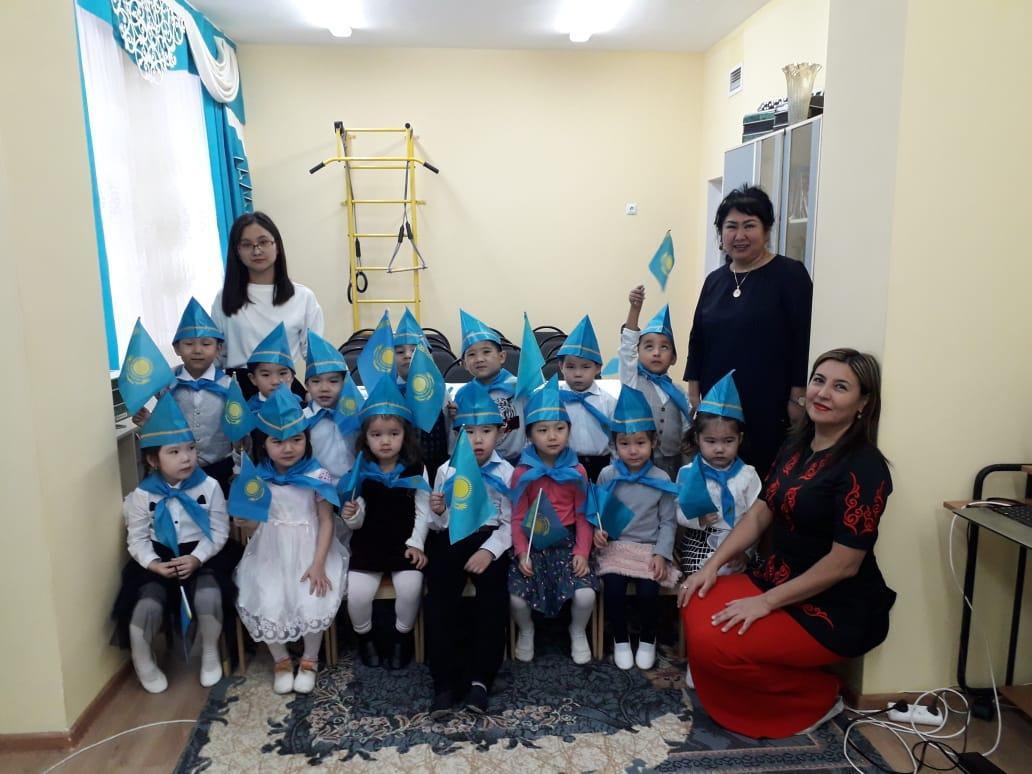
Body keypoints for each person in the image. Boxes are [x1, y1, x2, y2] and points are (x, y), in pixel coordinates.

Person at [678, 349, 894, 739]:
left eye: (840, 387)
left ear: (863, 403)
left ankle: (817, 695)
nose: (823, 393)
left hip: (835, 606)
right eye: (819, 380)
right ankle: (736, 681)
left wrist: (765, 603)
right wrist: (711, 565)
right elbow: (761, 511)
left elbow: (844, 564)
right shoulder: (797, 445)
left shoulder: (864, 467)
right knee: (695, 598)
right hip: (776, 577)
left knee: (714, 644)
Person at [112, 393, 238, 693]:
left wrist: (197, 558)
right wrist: (153, 564)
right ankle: (144, 661)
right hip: (160, 557)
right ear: (153, 460)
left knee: (209, 596)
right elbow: (137, 538)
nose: (186, 457)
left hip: (202, 553)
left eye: (191, 448)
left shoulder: (209, 486)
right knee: (146, 604)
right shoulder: (143, 494)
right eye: (174, 452)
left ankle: (210, 651)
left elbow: (219, 530)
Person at [684, 185, 812, 477]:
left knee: (761, 477)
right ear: (721, 234)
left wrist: (798, 397)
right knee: (717, 475)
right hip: (717, 405)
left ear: (766, 231)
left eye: (749, 225)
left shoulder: (790, 275)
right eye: (731, 226)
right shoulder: (715, 280)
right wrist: (694, 391)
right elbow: (698, 338)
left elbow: (802, 338)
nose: (739, 235)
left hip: (769, 402)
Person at [232, 385, 347, 695]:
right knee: (266, 597)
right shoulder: (258, 477)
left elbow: (326, 520)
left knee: (312, 597)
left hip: (312, 547)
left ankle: (309, 660)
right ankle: (281, 660)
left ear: (306, 439)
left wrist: (319, 563)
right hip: (271, 549)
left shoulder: (317, 475)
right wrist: (244, 521)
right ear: (264, 443)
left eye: (296, 439)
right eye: (278, 441)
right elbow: (255, 521)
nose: (288, 448)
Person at [425, 381, 514, 715]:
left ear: (499, 434)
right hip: (453, 537)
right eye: (469, 432)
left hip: (490, 539)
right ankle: (444, 683)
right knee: (439, 597)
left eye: (486, 431)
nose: (477, 439)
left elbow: (510, 522)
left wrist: (489, 551)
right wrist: (438, 512)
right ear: (457, 434)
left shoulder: (507, 473)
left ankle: (481, 680)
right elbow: (438, 526)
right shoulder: (445, 470)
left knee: (493, 598)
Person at [341, 377, 431, 670]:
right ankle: (365, 637)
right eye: (377, 434)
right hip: (368, 543)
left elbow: (423, 510)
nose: (385, 441)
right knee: (356, 594)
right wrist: (352, 514)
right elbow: (355, 523)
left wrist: (417, 544)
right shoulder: (361, 470)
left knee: (411, 587)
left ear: (405, 435)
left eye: (393, 433)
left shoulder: (416, 468)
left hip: (404, 544)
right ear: (365, 438)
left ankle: (401, 638)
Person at [508, 376, 598, 664]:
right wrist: (521, 553)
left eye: (559, 428)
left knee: (585, 595)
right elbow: (517, 517)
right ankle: (526, 630)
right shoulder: (522, 473)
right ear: (530, 435)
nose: (552, 436)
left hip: (568, 542)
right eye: (543, 430)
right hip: (533, 542)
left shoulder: (577, 471)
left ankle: (577, 630)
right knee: (516, 597)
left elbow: (583, 516)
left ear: (568, 431)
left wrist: (582, 552)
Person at [593, 385, 679, 671]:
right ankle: (620, 639)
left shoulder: (661, 478)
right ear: (615, 445)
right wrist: (598, 533)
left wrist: (661, 554)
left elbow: (668, 521)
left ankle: (647, 639)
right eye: (625, 443)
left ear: (653, 443)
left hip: (649, 548)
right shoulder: (607, 475)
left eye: (640, 443)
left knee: (648, 593)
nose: (633, 450)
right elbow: (598, 515)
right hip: (616, 547)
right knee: (614, 590)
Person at [211, 211, 323, 398]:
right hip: (238, 393)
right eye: (247, 245)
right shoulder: (224, 297)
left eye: (263, 242)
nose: (256, 251)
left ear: (277, 246)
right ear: (237, 251)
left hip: (284, 390)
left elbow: (316, 356)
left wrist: (317, 391)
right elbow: (215, 355)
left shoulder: (303, 297)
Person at [132, 298, 235, 495]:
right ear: (177, 348)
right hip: (175, 469)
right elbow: (164, 421)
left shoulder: (229, 385)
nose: (197, 350)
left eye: (206, 344)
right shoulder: (166, 382)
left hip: (220, 466)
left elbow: (237, 427)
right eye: (189, 344)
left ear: (218, 348)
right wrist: (148, 422)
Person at [676, 370, 762, 579]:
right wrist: (699, 520)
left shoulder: (748, 476)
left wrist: (746, 552)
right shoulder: (689, 473)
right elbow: (678, 511)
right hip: (700, 544)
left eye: (728, 441)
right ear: (697, 439)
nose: (720, 449)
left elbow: (757, 519)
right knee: (700, 584)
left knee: (739, 584)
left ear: (740, 439)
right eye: (711, 441)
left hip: (738, 547)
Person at [619, 288, 692, 481]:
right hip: (639, 464)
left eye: (664, 347)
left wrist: (688, 441)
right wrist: (635, 309)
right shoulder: (632, 381)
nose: (656, 352)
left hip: (673, 465)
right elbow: (627, 348)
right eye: (649, 346)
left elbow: (686, 425)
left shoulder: (679, 393)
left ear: (674, 358)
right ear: (638, 352)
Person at [452, 310, 525, 464]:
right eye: (471, 354)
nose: (479, 359)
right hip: (478, 464)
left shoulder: (519, 387)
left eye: (486, 352)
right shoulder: (463, 395)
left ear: (502, 357)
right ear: (464, 364)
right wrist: (453, 416)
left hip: (518, 462)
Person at [394, 309, 454, 477]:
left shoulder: (439, 390)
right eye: (400, 352)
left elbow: (449, 428)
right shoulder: (389, 391)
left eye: (414, 350)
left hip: (436, 463)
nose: (407, 356)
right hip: (399, 467)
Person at [556, 315, 615, 483]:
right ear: (561, 366)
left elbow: (616, 440)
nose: (578, 373)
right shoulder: (555, 400)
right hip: (565, 465)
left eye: (585, 367)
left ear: (598, 368)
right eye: (571, 366)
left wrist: (614, 470)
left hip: (602, 466)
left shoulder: (609, 402)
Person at [302, 329, 358, 482]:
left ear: (344, 383)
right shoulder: (302, 420)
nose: (324, 388)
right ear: (307, 385)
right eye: (316, 381)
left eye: (333, 381)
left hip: (355, 486)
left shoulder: (355, 415)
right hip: (318, 488)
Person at [243, 322, 295, 411]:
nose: (275, 381)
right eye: (266, 375)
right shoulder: (247, 411)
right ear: (253, 379)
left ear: (292, 377)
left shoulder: (302, 407)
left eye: (282, 373)